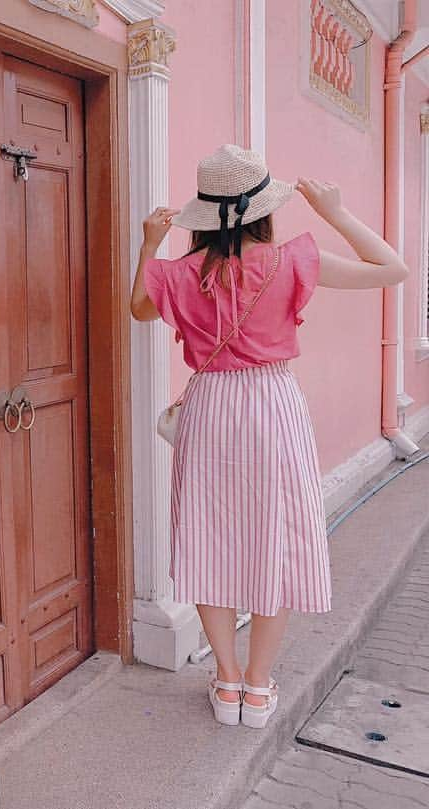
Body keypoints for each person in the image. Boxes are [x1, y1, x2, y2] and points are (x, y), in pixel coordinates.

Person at [130, 144, 408, 728]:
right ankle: (258, 689)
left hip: (209, 408)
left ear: (204, 214)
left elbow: (138, 309)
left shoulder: (180, 273)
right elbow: (392, 269)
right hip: (270, 404)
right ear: (263, 208)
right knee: (272, 541)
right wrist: (335, 212)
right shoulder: (293, 260)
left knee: (210, 538)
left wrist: (151, 243)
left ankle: (226, 682)